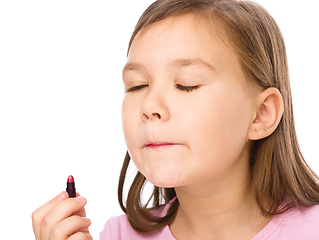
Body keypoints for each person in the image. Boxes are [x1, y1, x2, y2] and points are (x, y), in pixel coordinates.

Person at [32, 0, 319, 239]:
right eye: (137, 86)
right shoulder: (116, 235)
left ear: (261, 114)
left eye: (186, 84)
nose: (149, 105)